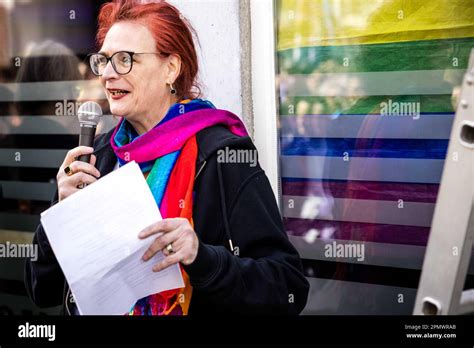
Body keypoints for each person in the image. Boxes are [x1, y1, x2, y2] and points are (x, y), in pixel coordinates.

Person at [25, 0, 309, 315]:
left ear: (171, 69)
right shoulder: (98, 157)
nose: (107, 74)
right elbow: (43, 290)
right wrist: (58, 220)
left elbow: (287, 288)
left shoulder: (221, 155)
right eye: (103, 60)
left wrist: (202, 258)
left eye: (124, 59)